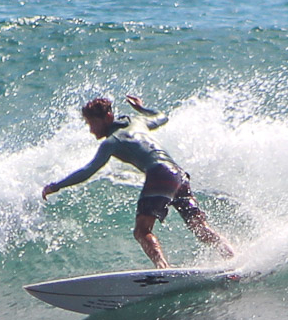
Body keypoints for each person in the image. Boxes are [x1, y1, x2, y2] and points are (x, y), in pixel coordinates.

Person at [41, 94, 235, 269]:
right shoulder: (138, 122)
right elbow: (161, 116)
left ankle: (162, 268)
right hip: (178, 174)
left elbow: (87, 171)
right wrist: (142, 109)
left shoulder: (112, 141)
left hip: (159, 174)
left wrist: (56, 186)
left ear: (107, 118)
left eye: (92, 123)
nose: (91, 130)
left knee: (142, 231)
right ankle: (231, 255)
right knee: (198, 226)